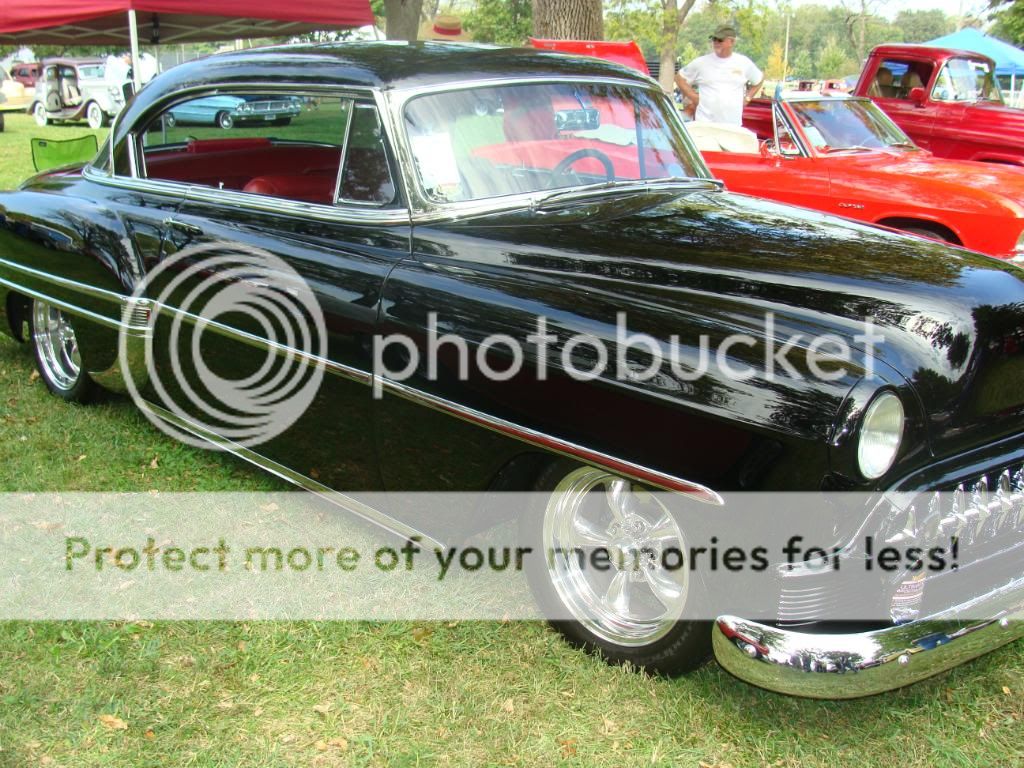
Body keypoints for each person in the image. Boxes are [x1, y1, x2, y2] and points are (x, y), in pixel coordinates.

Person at [674, 25, 763, 125]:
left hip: (732, 125)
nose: (716, 43)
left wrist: (747, 98)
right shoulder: (701, 63)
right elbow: (679, 78)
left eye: (720, 40)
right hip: (705, 124)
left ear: (732, 42)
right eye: (714, 39)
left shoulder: (743, 63)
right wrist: (693, 97)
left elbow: (759, 80)